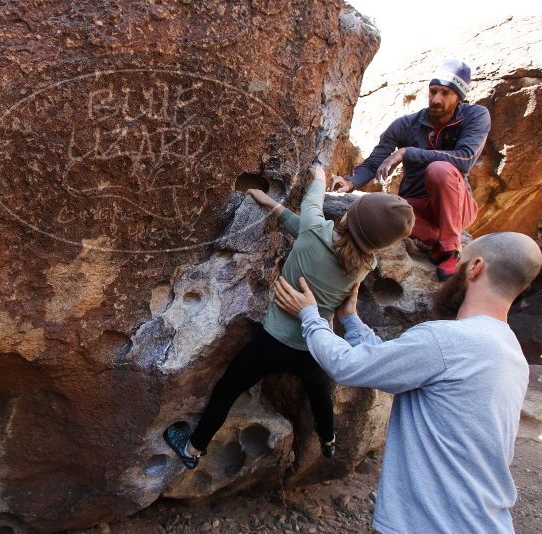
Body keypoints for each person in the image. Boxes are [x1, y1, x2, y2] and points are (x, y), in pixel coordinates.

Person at [274, 231, 542, 534]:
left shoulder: (446, 341)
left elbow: (347, 366)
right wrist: (350, 320)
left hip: (432, 524)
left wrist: (309, 315)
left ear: (476, 267)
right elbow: (392, 364)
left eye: (460, 262)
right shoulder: (510, 352)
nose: (450, 274)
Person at [163, 165, 415, 468]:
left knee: (227, 390)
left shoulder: (315, 230)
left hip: (271, 340)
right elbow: (306, 228)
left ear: (350, 216)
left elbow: (311, 205)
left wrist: (319, 177)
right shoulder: (364, 264)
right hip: (313, 346)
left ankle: (192, 450)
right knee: (320, 393)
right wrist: (272, 205)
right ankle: (328, 439)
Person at [331, 58, 491, 281]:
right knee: (374, 209)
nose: (436, 99)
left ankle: (450, 249)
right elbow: (375, 160)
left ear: (459, 96)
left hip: (457, 207)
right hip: (416, 209)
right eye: (433, 91)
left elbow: (465, 158)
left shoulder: (476, 115)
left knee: (439, 170)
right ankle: (437, 238)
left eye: (445, 93)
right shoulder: (406, 124)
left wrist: (408, 152)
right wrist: (350, 182)